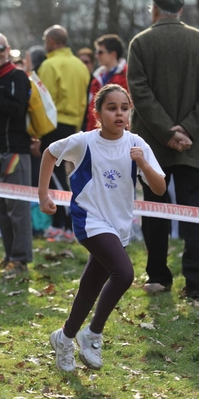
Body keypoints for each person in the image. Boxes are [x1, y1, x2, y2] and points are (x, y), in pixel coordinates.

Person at [38, 84, 166, 372]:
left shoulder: (137, 144)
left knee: (90, 287)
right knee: (124, 273)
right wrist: (43, 195)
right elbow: (49, 152)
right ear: (98, 113)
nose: (119, 113)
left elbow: (159, 188)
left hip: (118, 224)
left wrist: (143, 164)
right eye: (112, 108)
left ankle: (64, 337)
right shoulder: (84, 142)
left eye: (124, 108)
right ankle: (92, 334)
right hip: (89, 218)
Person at [127, 0, 199, 298]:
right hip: (193, 145)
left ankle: (158, 276)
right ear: (180, 9)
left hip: (151, 144)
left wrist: (166, 132)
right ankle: (195, 282)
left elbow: (139, 92)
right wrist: (186, 129)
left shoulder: (141, 43)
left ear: (154, 9)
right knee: (193, 212)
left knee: (155, 211)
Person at [0, 31, 32, 275]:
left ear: (8, 49)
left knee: (17, 209)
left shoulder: (16, 76)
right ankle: (10, 254)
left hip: (14, 153)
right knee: (0, 208)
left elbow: (16, 109)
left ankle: (21, 260)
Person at [38, 24, 90, 242]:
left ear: (50, 41)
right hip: (75, 126)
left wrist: (38, 133)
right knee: (71, 175)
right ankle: (66, 223)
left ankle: (64, 224)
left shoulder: (49, 65)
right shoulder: (80, 65)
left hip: (53, 125)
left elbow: (43, 103)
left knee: (55, 177)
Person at [86, 34, 128, 131]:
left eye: (100, 52)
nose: (97, 56)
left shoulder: (128, 76)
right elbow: (91, 111)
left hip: (118, 136)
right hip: (95, 134)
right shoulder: (97, 78)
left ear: (113, 54)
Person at [76, 47, 95, 131]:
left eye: (86, 62)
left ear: (92, 64)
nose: (83, 65)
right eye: (80, 62)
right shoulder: (73, 81)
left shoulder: (96, 82)